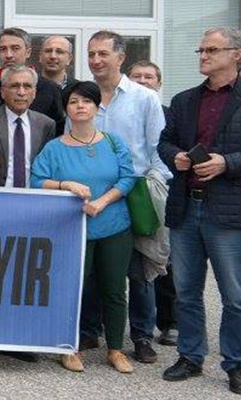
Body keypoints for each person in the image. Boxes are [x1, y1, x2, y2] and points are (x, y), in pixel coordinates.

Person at [157, 26, 241, 396]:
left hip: (228, 212)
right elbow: (164, 142)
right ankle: (190, 356)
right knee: (186, 290)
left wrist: (227, 163)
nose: (203, 56)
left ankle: (236, 363)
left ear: (236, 54)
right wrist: (174, 156)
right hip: (186, 208)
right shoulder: (184, 100)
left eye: (212, 50)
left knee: (234, 296)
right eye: (201, 50)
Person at [32, 81, 137, 374]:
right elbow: (36, 180)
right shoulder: (54, 148)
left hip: (115, 227)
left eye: (87, 101)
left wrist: (102, 201)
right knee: (72, 289)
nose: (80, 106)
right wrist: (65, 184)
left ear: (96, 107)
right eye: (74, 101)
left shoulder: (114, 142)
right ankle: (68, 347)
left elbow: (128, 178)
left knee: (115, 289)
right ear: (66, 108)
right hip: (73, 230)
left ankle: (115, 349)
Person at [81, 30, 169, 365]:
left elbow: (158, 149)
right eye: (91, 54)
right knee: (93, 268)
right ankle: (91, 330)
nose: (96, 60)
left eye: (103, 54)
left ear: (121, 57)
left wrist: (157, 187)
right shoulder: (83, 96)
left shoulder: (143, 98)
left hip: (135, 195)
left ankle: (142, 336)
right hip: (92, 197)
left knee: (139, 269)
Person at [127, 59, 178, 348]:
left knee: (162, 259)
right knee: (137, 263)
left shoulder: (171, 115)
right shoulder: (122, 109)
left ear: (158, 84)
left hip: (160, 192)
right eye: (137, 76)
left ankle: (170, 322)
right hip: (130, 189)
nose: (143, 81)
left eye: (149, 77)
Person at [0, 28, 65, 136]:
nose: (8, 55)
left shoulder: (49, 89)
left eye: (15, 48)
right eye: (3, 49)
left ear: (28, 52)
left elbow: (59, 132)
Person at [0, 65, 55, 189]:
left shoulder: (46, 124)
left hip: (33, 195)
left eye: (27, 86)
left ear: (34, 93)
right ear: (2, 92)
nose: (21, 93)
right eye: (15, 86)